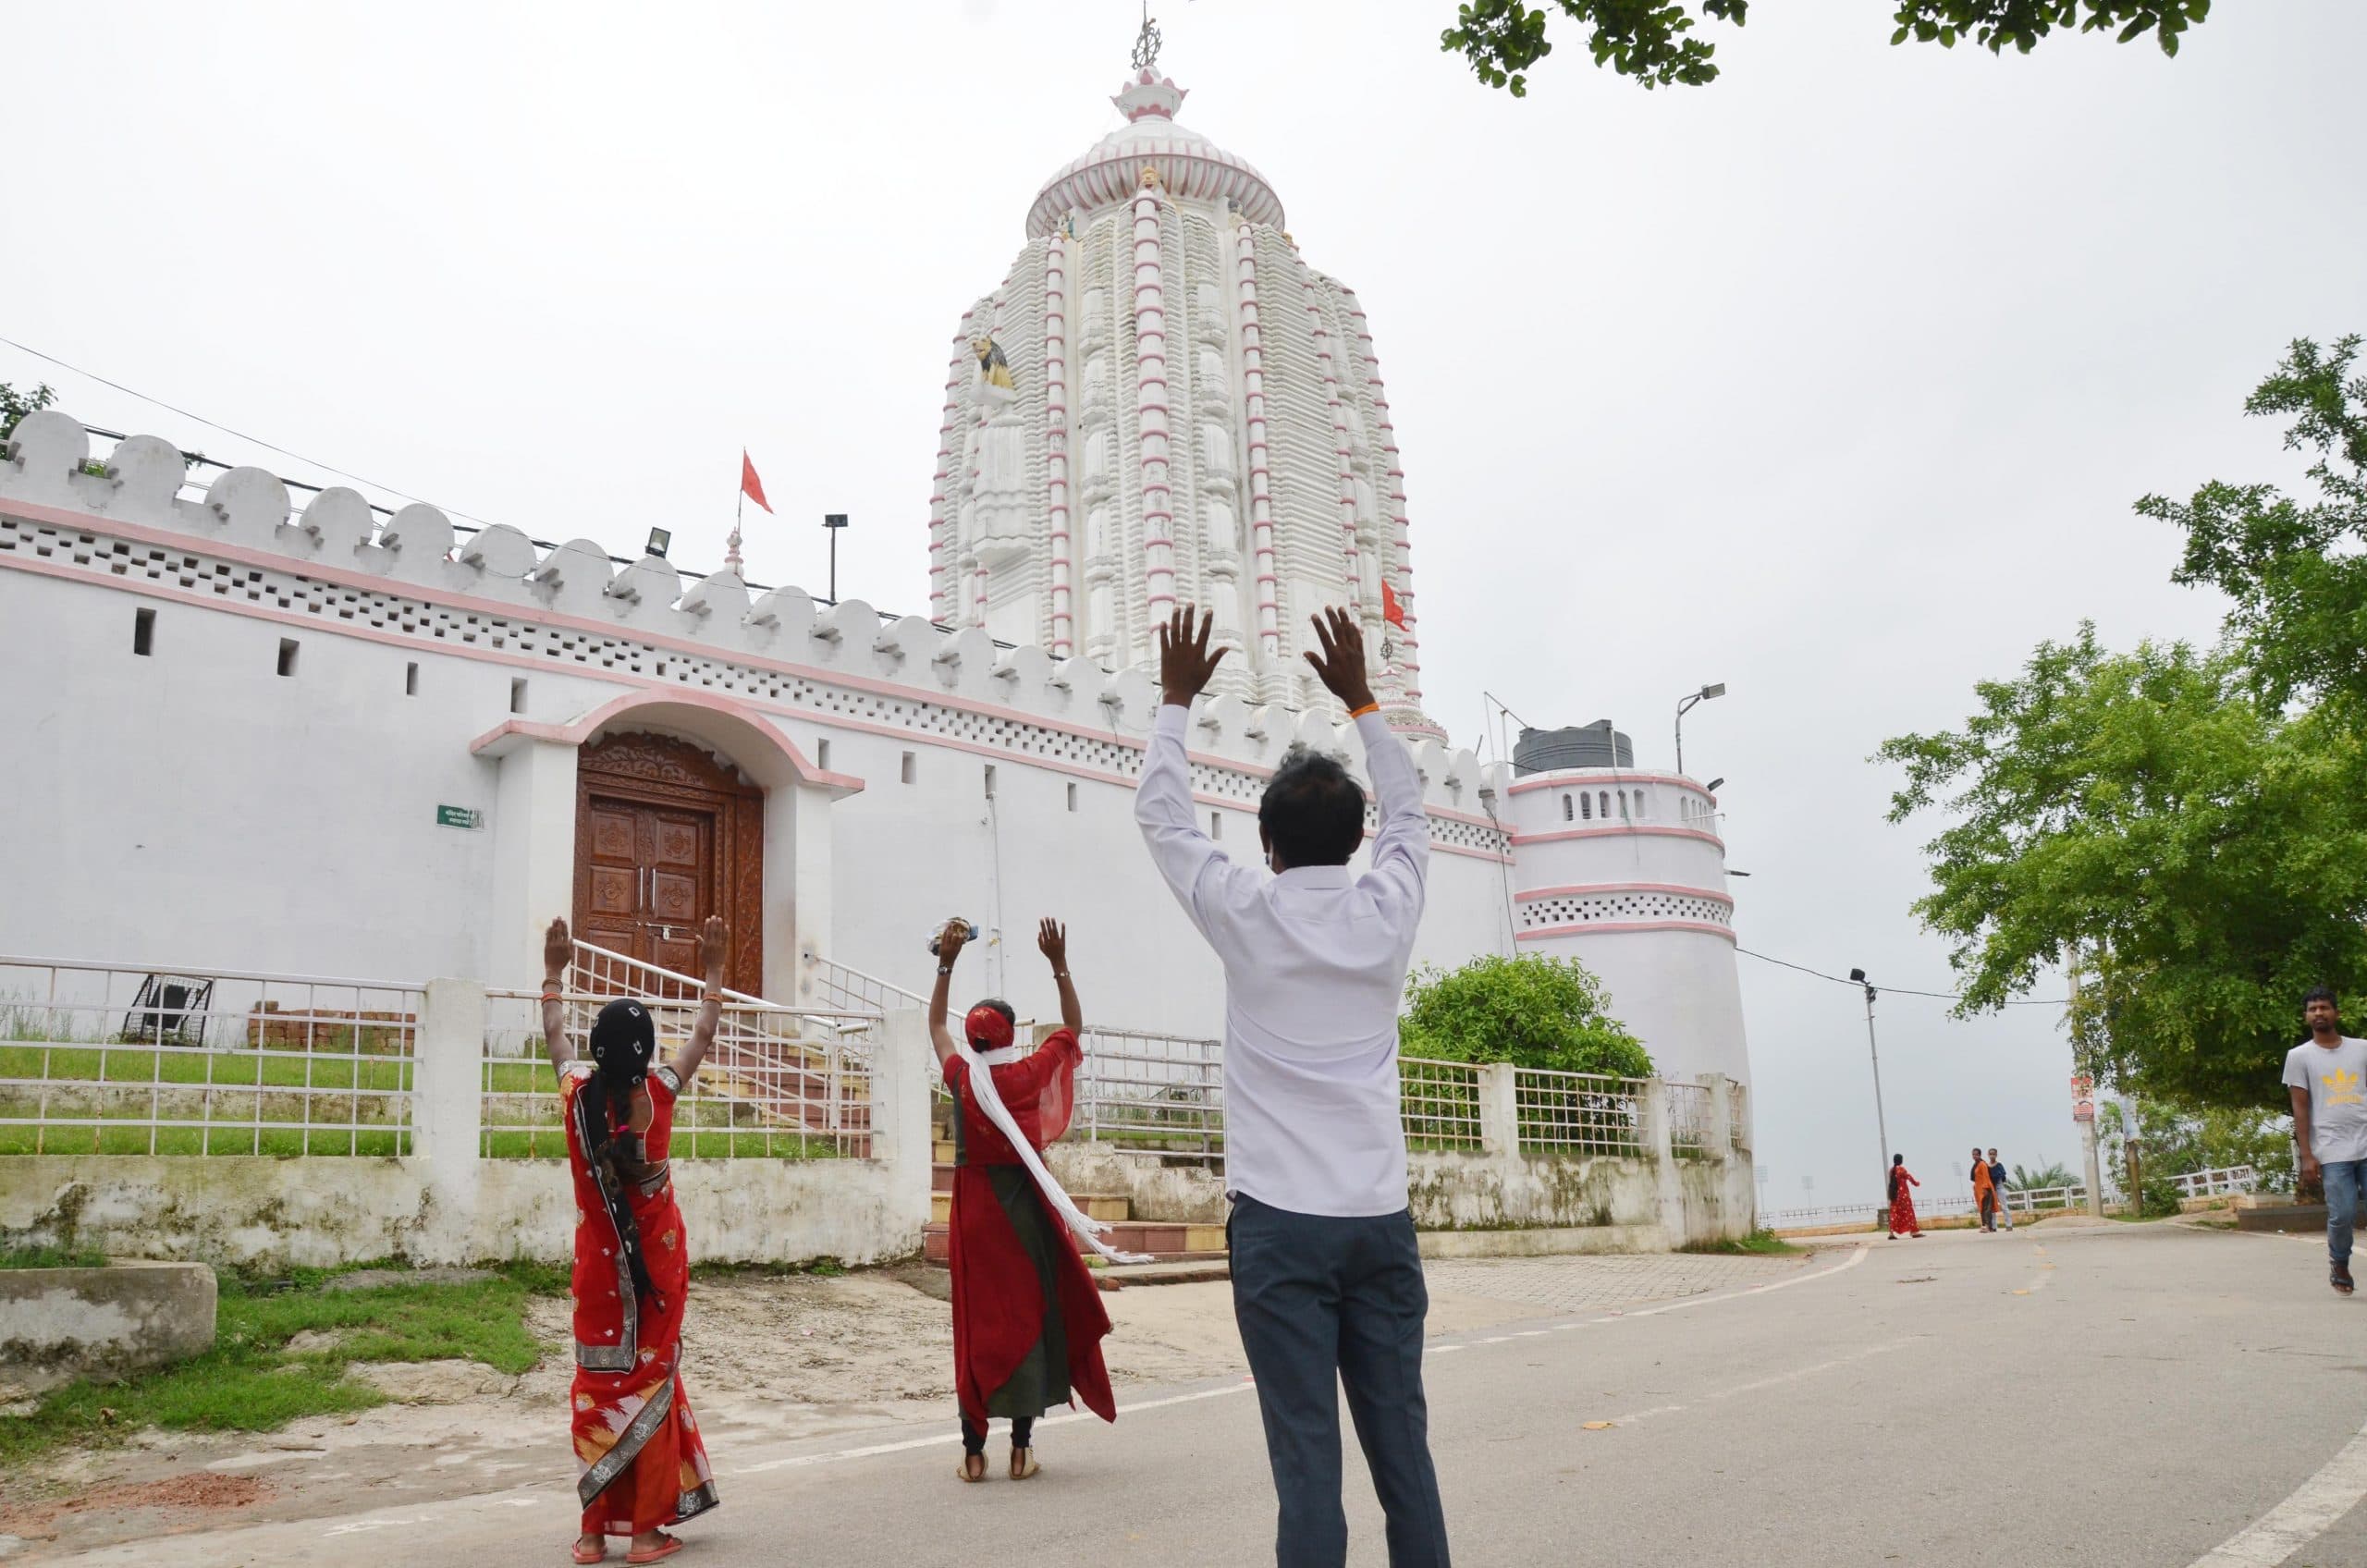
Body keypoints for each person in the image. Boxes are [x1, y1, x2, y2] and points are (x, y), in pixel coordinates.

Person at [1135, 605, 1452, 1568]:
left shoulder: (1246, 910)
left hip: (1279, 1225)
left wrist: (1176, 702)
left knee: (1306, 1458)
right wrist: (1361, 697)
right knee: (1403, 1450)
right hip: (1377, 1218)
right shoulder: (1388, 909)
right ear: (1356, 842)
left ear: (1266, 848)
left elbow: (1161, 815)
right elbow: (1410, 811)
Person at [542, 914, 724, 1566]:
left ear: (597, 1049)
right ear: (647, 1052)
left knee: (598, 1391)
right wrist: (713, 969)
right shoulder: (661, 1093)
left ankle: (593, 1536)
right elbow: (704, 1033)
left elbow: (556, 1040)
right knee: (649, 1387)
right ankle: (646, 1534)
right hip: (656, 1272)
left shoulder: (575, 1096)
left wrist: (555, 973)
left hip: (597, 1273)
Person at [929, 914, 1120, 1482]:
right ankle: (1021, 1450)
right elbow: (1075, 1028)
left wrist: (946, 960)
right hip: (1026, 1214)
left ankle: (971, 1451)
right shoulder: (1030, 1074)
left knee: (976, 1326)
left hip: (974, 1217)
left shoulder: (964, 1078)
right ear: (1011, 1036)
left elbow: (936, 1023)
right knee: (1029, 1319)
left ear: (975, 1037)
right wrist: (1058, 963)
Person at [2283, 986, 2367, 1295]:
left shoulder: (2362, 1049)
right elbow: (2300, 1107)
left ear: (2337, 1013)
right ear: (2306, 1017)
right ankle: (2340, 1261)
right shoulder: (2299, 1057)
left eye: (2324, 1007)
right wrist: (2307, 1155)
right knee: (2342, 1214)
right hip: (2332, 1150)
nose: (2319, 1013)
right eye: (2313, 1009)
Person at [1886, 1153, 1922, 1239]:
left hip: (1894, 1195)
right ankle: (1913, 1232)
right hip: (1903, 1195)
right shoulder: (1901, 1169)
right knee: (1908, 1212)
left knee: (1894, 1213)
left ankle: (1891, 1233)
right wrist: (1916, 1183)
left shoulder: (1891, 1170)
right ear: (1901, 1160)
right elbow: (1908, 1177)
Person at [1971, 1145, 1998, 1232]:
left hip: (1985, 1190)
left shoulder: (1982, 1164)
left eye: (1976, 1154)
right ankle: (1984, 1226)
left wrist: (1985, 1188)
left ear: (1980, 1155)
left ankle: (1988, 1226)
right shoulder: (1976, 1164)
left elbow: (1986, 1176)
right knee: (1982, 1208)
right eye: (1973, 1154)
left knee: (1987, 1209)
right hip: (1979, 1190)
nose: (1974, 1156)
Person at [1987, 1149, 2015, 1231]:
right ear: (1988, 1155)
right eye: (1990, 1154)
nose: (1992, 1155)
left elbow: (2003, 1176)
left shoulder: (1999, 1165)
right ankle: (1993, 1226)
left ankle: (2009, 1225)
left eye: (1994, 1154)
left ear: (1996, 1155)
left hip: (1999, 1187)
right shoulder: (1987, 1166)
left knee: (2004, 1206)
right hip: (1991, 1188)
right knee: (1992, 1208)